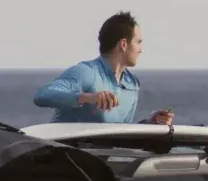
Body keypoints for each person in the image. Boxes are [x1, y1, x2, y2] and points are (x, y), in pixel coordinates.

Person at [32, 13, 172, 126]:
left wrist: (151, 124)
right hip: (62, 156)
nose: (140, 49)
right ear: (123, 44)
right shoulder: (87, 72)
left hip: (98, 158)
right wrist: (87, 97)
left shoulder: (131, 84)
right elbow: (42, 96)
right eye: (138, 42)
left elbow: (121, 132)